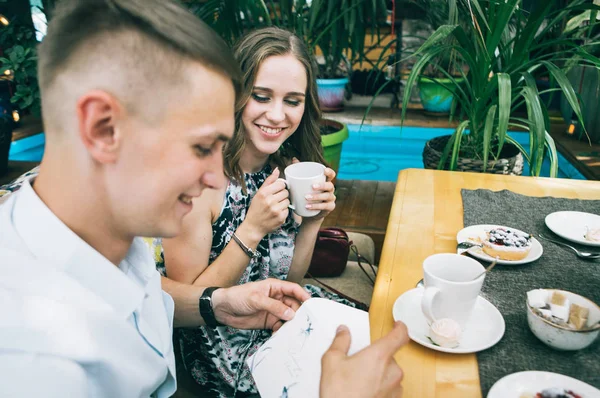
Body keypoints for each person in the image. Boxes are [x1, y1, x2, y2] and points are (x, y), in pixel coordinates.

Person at [0, 1, 408, 397]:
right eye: (200, 146)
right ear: (104, 129)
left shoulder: (111, 241)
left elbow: (158, 299)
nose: (216, 176)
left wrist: (219, 303)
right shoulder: (38, 362)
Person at [157, 27, 367, 396]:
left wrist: (312, 222)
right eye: (261, 96)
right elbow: (188, 310)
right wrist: (252, 229)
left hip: (278, 323)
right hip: (219, 353)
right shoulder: (199, 180)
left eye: (292, 100)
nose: (277, 115)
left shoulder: (288, 166)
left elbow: (292, 277)